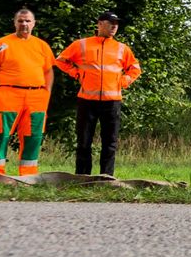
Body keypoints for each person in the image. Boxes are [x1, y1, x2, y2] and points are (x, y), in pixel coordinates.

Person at [55, 10, 141, 177]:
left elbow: (135, 69)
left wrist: (123, 81)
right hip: (87, 100)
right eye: (110, 23)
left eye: (116, 24)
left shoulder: (122, 48)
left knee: (110, 143)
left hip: (112, 101)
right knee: (84, 142)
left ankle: (106, 177)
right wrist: (77, 74)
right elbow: (60, 60)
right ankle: (82, 177)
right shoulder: (82, 44)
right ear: (100, 24)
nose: (114, 27)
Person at [0, 7, 56, 177]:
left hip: (37, 96)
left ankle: (28, 174)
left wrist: (47, 92)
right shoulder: (3, 43)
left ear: (34, 23)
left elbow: (48, 71)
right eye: (20, 21)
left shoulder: (42, 45)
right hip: (8, 94)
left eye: (27, 21)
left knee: (34, 136)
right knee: (2, 134)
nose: (24, 24)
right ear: (15, 23)